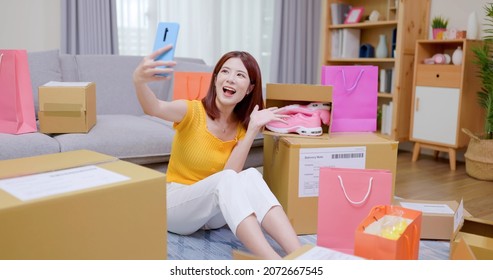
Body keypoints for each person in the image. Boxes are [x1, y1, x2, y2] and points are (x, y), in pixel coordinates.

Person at [133, 45, 302, 259]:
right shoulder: (192, 111)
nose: (230, 79)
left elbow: (230, 174)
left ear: (249, 88)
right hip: (177, 205)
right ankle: (275, 264)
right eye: (225, 71)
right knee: (228, 180)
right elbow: (154, 107)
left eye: (240, 75)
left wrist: (251, 130)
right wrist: (139, 81)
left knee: (250, 176)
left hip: (212, 212)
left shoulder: (240, 127)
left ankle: (301, 255)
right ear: (215, 79)